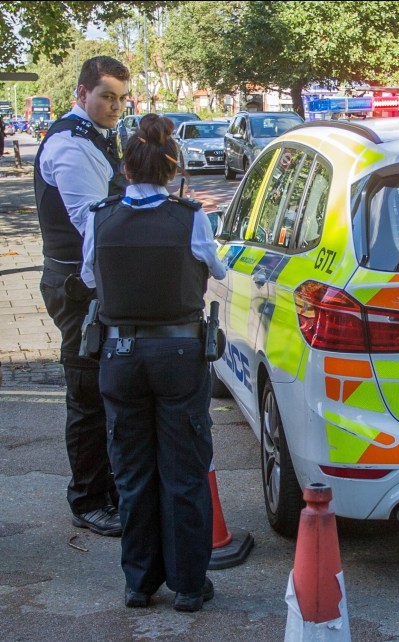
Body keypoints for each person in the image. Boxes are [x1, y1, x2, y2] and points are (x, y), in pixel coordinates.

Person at [80, 114, 227, 611]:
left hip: (119, 355)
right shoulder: (191, 217)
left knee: (132, 470)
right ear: (173, 167)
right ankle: (189, 584)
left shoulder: (99, 217)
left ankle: (138, 583)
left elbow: (90, 279)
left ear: (124, 165)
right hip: (180, 354)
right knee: (184, 469)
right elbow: (217, 267)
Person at [35, 55, 130, 537]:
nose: (114, 106)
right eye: (105, 97)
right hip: (79, 287)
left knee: (101, 390)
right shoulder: (71, 145)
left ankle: (106, 489)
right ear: (81, 93)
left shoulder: (93, 136)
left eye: (118, 98)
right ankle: (89, 499)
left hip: (89, 284)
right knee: (87, 394)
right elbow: (93, 224)